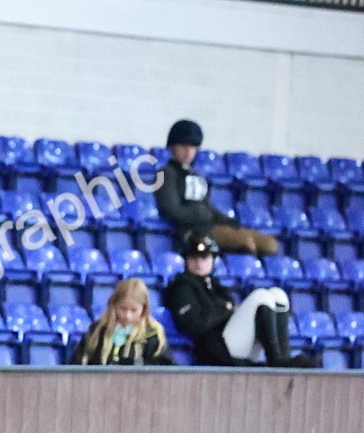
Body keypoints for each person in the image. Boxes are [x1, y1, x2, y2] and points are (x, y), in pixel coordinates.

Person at [162, 235, 315, 367]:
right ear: (186, 260)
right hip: (217, 348)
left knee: (278, 294)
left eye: (204, 257)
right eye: (193, 257)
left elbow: (228, 308)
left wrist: (223, 308)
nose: (199, 262)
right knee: (260, 296)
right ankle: (276, 361)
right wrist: (224, 309)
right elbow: (194, 324)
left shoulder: (215, 285)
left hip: (232, 341)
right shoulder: (182, 286)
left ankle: (283, 358)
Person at [155, 119, 278, 256]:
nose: (188, 152)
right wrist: (201, 214)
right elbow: (171, 209)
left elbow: (207, 207)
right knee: (245, 243)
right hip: (192, 230)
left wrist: (225, 220)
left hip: (209, 225)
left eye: (193, 147)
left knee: (269, 244)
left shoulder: (196, 175)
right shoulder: (166, 173)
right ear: (172, 147)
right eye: (184, 146)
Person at [71, 278, 173, 365]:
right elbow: (78, 364)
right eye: (123, 308)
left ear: (144, 309)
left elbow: (164, 369)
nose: (127, 316)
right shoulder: (97, 331)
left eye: (134, 310)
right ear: (113, 305)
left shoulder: (153, 334)